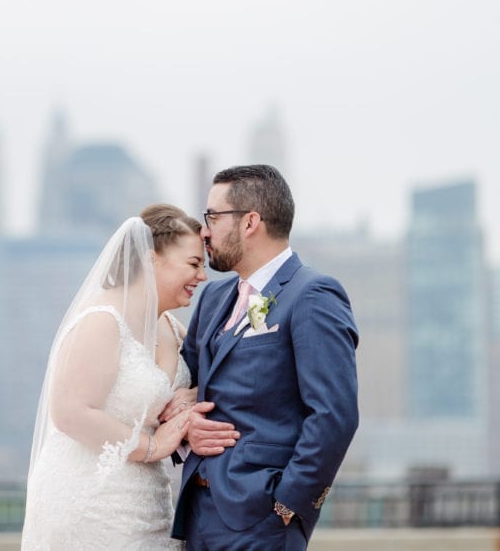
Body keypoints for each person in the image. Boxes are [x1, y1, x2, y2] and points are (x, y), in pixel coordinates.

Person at [171, 165, 359, 550]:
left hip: (263, 520)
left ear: (250, 222)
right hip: (196, 516)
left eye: (213, 216)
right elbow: (183, 381)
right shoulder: (212, 300)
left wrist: (288, 503)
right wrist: (181, 421)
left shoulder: (312, 295)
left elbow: (334, 414)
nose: (204, 230)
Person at [22, 204, 208, 550]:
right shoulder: (102, 321)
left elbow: (187, 393)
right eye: (194, 264)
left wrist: (192, 396)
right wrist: (153, 446)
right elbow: (70, 413)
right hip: (89, 502)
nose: (202, 277)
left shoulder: (172, 328)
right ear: (151, 259)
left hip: (148, 503)